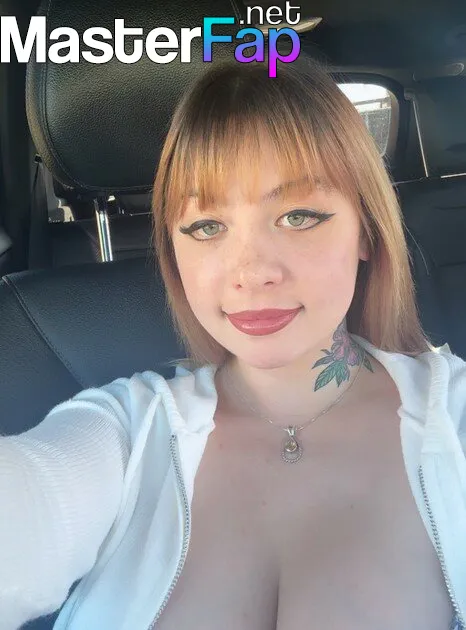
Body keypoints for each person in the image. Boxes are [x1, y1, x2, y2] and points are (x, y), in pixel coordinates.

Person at [1, 58, 465, 630]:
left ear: (366, 231)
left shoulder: (455, 416)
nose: (250, 272)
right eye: (206, 227)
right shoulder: (126, 432)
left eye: (298, 216)